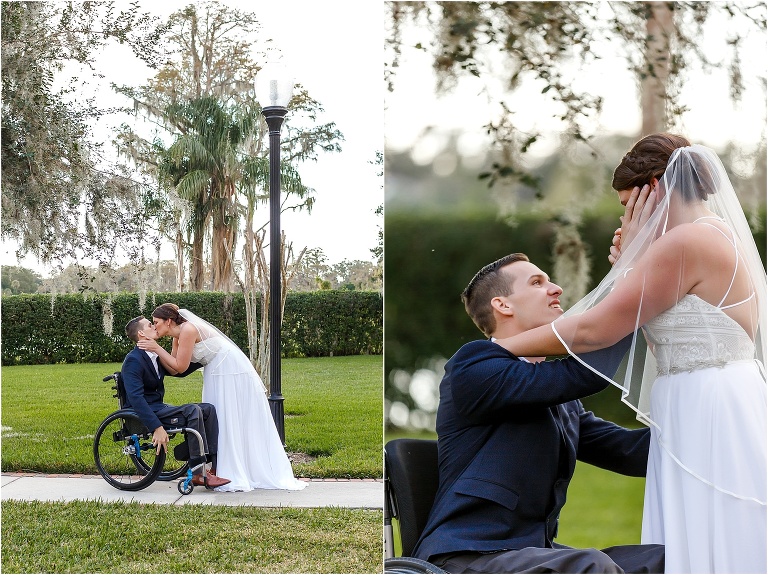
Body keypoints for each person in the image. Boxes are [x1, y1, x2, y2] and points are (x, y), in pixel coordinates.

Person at [494, 134, 766, 573]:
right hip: (709, 396)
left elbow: (595, 329)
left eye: (629, 202)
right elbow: (658, 335)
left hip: (707, 404)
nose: (626, 215)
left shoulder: (685, 243)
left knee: (715, 534)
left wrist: (497, 348)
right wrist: (633, 268)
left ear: (655, 189)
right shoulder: (711, 235)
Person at [411, 253, 665, 574]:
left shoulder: (561, 401)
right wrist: (639, 290)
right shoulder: (472, 366)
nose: (556, 288)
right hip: (466, 554)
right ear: (503, 305)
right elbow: (582, 374)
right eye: (537, 282)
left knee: (665, 559)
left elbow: (631, 453)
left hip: (530, 554)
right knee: (592, 566)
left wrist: (711, 420)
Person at [137, 303, 307, 492]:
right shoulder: (177, 337)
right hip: (216, 370)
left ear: (168, 321)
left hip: (228, 369)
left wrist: (156, 349)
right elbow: (175, 369)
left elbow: (180, 366)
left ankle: (231, 468)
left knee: (228, 415)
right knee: (219, 416)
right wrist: (155, 349)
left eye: (156, 322)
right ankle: (219, 467)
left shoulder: (188, 329)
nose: (154, 327)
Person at [122, 316, 231, 488]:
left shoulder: (153, 354)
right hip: (147, 412)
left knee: (208, 409)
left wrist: (206, 357)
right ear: (142, 333)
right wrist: (156, 427)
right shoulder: (133, 360)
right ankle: (198, 472)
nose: (155, 327)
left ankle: (214, 467)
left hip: (159, 407)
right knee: (193, 410)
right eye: (151, 325)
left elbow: (178, 370)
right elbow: (136, 399)